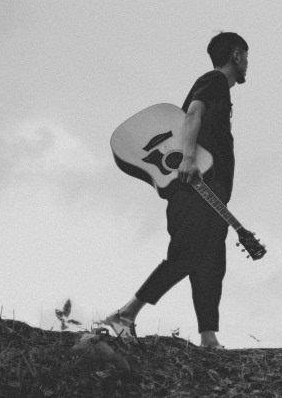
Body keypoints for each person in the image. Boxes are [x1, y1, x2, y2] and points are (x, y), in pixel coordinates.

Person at [103, 31, 249, 348]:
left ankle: (209, 337)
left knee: (212, 260)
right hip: (195, 185)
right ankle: (125, 314)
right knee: (188, 253)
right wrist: (188, 158)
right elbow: (193, 113)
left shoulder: (220, 90)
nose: (247, 65)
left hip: (209, 189)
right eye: (246, 58)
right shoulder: (214, 81)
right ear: (236, 55)